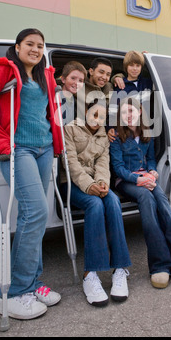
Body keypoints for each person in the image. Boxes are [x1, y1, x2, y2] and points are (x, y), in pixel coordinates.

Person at [0, 28, 62, 320]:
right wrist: (0, 142)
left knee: (36, 215)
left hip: (44, 149)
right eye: (30, 44)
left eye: (40, 45)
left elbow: (50, 114)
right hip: (18, 149)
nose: (35, 49)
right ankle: (10, 294)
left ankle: (32, 285)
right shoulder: (5, 69)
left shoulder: (44, 76)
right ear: (18, 46)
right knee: (35, 212)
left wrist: (56, 144)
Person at [109, 97, 171, 289]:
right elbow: (118, 168)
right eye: (123, 113)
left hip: (146, 177)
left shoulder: (148, 134)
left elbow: (151, 159)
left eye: (131, 111)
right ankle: (159, 265)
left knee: (162, 200)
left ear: (140, 112)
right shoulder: (116, 137)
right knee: (146, 198)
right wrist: (138, 179)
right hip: (127, 181)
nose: (128, 116)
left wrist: (153, 172)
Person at [60, 99, 131, 306]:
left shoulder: (104, 136)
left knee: (113, 201)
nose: (97, 119)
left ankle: (119, 269)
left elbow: (103, 164)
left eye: (101, 116)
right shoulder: (70, 129)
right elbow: (70, 163)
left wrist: (102, 183)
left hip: (95, 183)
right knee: (94, 204)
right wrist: (88, 185)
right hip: (73, 184)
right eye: (94, 114)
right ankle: (90, 274)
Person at [57, 61, 87, 125]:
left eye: (80, 80)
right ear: (63, 79)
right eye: (73, 78)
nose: (77, 83)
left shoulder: (76, 102)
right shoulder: (55, 97)